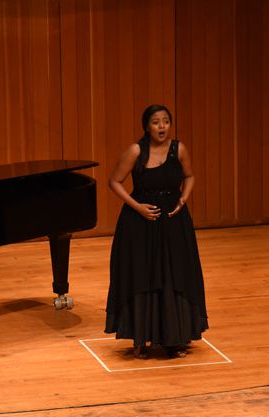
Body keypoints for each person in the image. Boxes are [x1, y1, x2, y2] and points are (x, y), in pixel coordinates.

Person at [104, 105, 208, 359]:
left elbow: (191, 175)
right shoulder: (136, 151)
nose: (162, 127)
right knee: (143, 277)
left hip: (173, 222)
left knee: (175, 276)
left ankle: (176, 339)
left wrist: (183, 199)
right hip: (140, 224)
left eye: (166, 121)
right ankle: (140, 340)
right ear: (146, 126)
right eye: (155, 122)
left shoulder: (179, 149)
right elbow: (114, 181)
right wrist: (137, 206)